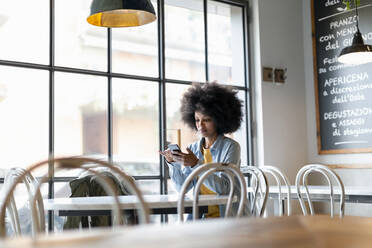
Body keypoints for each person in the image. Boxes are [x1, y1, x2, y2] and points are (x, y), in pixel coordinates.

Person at [160, 82, 243, 218]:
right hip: (200, 219)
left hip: (226, 219)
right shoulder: (194, 148)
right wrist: (173, 163)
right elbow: (182, 188)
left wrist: (196, 164)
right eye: (197, 120)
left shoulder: (231, 147)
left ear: (219, 120)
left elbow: (224, 188)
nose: (200, 125)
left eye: (207, 120)